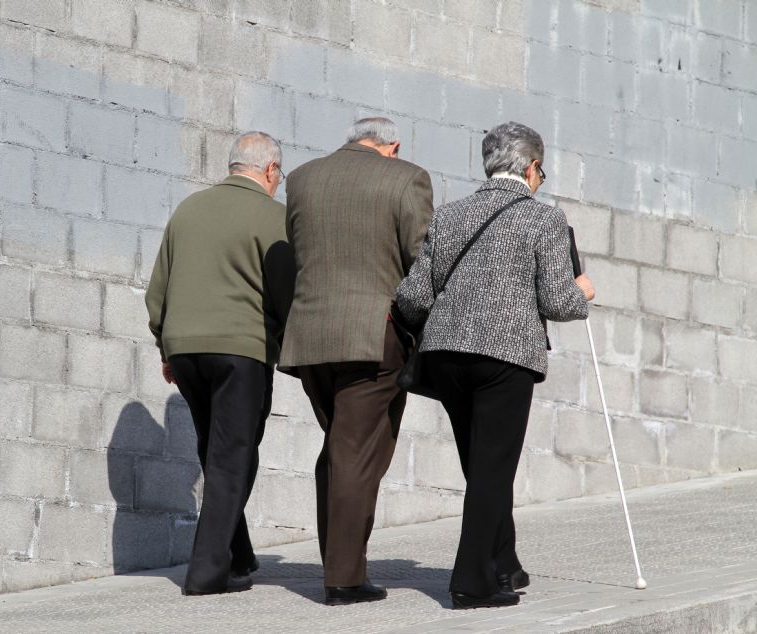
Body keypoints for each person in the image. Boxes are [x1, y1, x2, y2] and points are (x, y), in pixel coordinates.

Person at [395, 121, 595, 610]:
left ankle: (504, 563)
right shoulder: (543, 218)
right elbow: (558, 301)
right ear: (531, 167)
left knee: (482, 465)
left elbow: (414, 295)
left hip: (445, 354)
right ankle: (471, 582)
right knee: (493, 469)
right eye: (541, 172)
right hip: (504, 356)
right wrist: (583, 292)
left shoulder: (449, 214)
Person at [279, 117, 434, 605]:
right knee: (357, 454)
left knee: (340, 448)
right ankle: (343, 578)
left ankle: (338, 562)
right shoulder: (407, 177)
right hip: (373, 334)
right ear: (393, 146)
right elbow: (422, 260)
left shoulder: (301, 178)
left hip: (311, 337)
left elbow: (302, 253)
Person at [145, 131, 295, 596]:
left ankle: (238, 554)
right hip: (240, 350)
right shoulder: (273, 216)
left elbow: (158, 289)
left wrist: (166, 349)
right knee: (234, 456)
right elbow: (285, 291)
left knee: (216, 449)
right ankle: (207, 573)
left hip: (185, 349)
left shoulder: (188, 209)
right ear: (270, 170)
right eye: (279, 176)